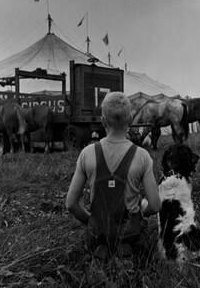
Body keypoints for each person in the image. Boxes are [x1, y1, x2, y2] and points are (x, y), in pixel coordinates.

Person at [66, 92, 161, 262]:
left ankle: (101, 249)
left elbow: (71, 204)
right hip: (131, 235)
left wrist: (91, 221)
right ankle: (126, 251)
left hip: (97, 234)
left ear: (103, 121)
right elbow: (154, 205)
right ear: (130, 119)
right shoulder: (142, 156)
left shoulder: (87, 154)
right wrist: (141, 212)